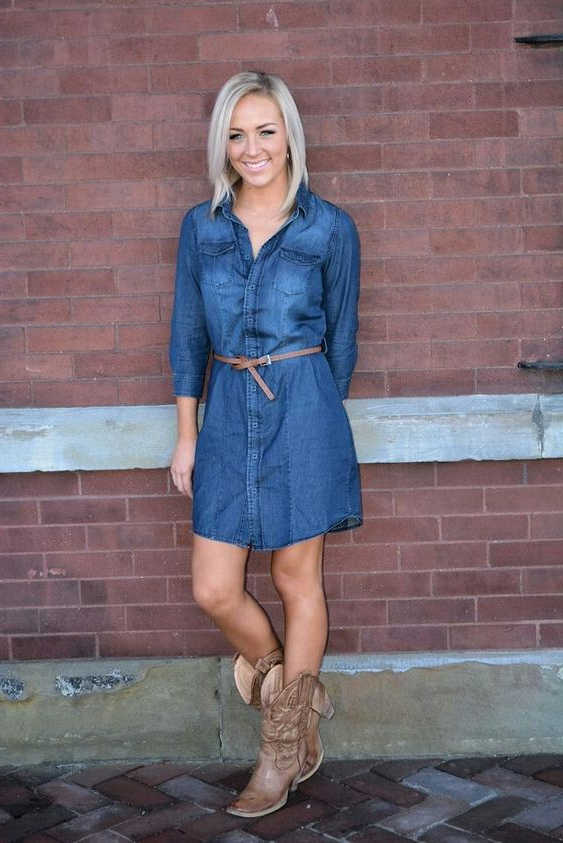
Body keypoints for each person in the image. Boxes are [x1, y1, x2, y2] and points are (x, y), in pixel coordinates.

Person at [169, 70, 363, 818]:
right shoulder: (202, 227)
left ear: (289, 135)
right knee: (214, 586)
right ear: (223, 142)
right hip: (224, 413)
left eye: (266, 130)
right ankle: (288, 682)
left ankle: (282, 746)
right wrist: (186, 432)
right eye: (237, 133)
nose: (252, 147)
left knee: (295, 577)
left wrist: (310, 410)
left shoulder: (327, 228)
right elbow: (187, 335)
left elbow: (340, 341)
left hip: (303, 406)